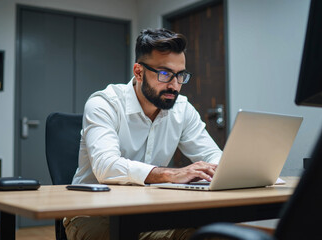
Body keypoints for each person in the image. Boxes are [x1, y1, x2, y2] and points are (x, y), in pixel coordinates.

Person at [64, 28, 223, 240]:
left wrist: (227, 170)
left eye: (180, 76)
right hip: (92, 212)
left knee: (208, 234)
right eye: (165, 74)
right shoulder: (104, 104)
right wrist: (171, 174)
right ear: (138, 72)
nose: (174, 85)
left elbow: (213, 156)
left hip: (149, 210)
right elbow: (106, 166)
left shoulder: (182, 109)